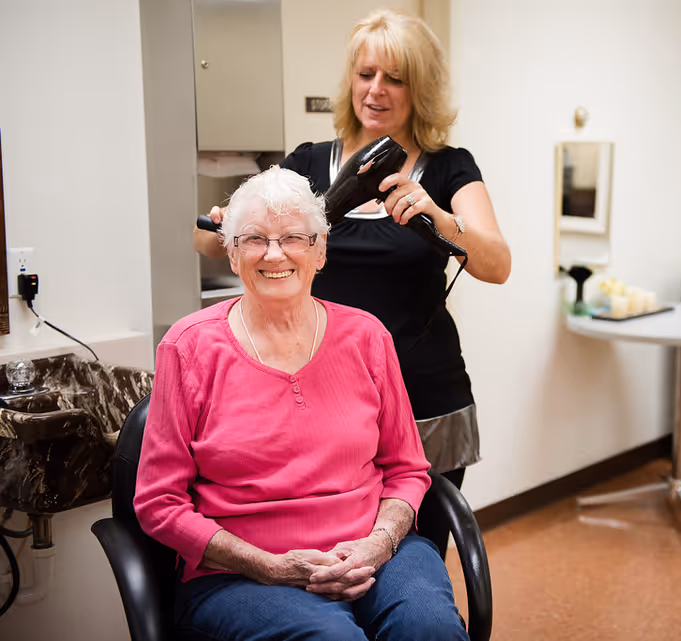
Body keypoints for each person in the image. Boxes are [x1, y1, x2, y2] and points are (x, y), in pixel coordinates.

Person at [193, 9, 511, 556]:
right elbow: (209, 243)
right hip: (325, 403)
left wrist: (439, 217)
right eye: (366, 75)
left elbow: (496, 265)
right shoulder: (308, 166)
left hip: (424, 396)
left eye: (395, 78)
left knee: (415, 559)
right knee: (327, 555)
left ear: (421, 87)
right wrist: (232, 224)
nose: (376, 90)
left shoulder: (448, 167)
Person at [137, 166, 468, 641]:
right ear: (231, 254)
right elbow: (159, 503)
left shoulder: (367, 337)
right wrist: (271, 567)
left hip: (373, 548)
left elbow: (407, 470)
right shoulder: (188, 348)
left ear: (321, 250)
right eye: (254, 239)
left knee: (428, 628)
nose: (274, 254)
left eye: (294, 237)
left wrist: (378, 543)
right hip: (242, 571)